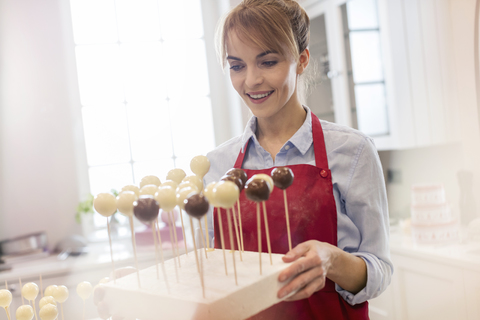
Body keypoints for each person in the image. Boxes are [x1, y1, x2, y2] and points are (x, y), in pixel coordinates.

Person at [203, 0, 393, 319]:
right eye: (237, 66)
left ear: (301, 60)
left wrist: (332, 261)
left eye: (268, 62)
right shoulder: (217, 165)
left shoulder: (354, 150)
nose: (251, 81)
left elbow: (379, 271)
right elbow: (213, 275)